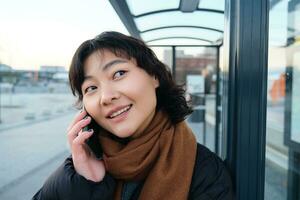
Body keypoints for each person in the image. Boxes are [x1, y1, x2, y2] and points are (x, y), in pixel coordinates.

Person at [32, 31, 233, 200]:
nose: (106, 97)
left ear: (154, 76)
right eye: (91, 87)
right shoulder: (85, 164)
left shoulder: (205, 171)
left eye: (119, 74)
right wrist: (81, 182)